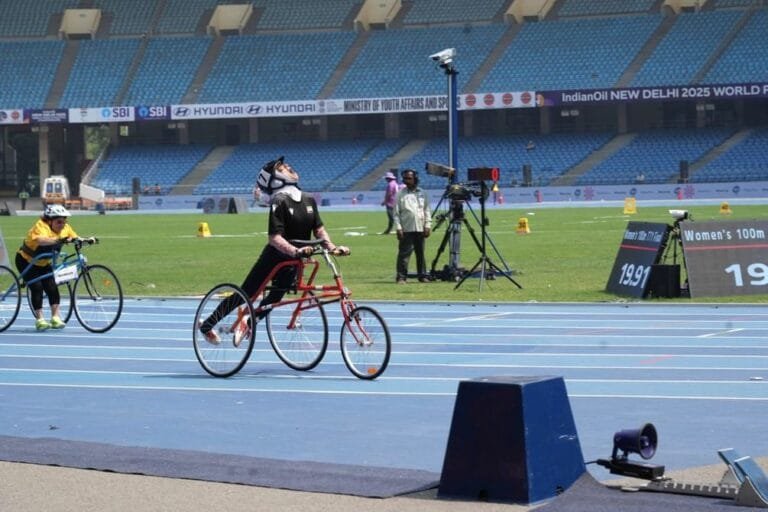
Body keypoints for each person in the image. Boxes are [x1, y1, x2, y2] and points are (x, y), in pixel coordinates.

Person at [199, 156, 350, 344]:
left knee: (276, 296)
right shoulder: (279, 200)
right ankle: (207, 326)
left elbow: (319, 230)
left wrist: (333, 248)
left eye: (285, 165)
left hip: (296, 257)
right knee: (246, 295)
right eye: (281, 167)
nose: (288, 166)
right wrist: (295, 251)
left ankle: (248, 321)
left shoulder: (308, 199)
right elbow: (274, 237)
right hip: (275, 257)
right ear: (275, 179)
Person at [15, 204, 91, 330]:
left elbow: (74, 237)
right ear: (49, 221)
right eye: (59, 221)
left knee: (51, 287)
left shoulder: (65, 228)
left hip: (43, 263)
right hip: (26, 261)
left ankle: (55, 318)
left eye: (64, 221)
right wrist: (58, 241)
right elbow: (41, 240)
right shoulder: (41, 225)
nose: (62, 224)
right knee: (37, 287)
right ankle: (40, 319)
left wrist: (86, 240)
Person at [394, 169, 431, 284]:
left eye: (409, 178)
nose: (406, 181)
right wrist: (398, 228)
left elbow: (427, 210)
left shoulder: (423, 193)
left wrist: (428, 225)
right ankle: (401, 277)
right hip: (406, 228)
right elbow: (396, 213)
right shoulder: (400, 194)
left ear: (415, 178)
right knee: (404, 254)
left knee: (420, 253)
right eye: (405, 178)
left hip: (420, 227)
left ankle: (422, 275)